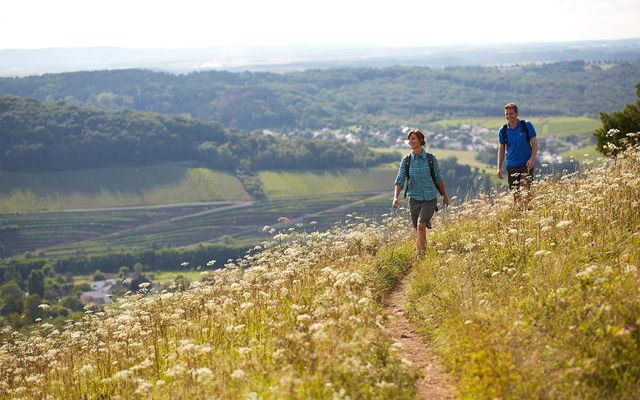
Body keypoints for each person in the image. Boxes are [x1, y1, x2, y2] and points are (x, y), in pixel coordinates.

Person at [392, 129, 449, 258]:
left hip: (429, 199)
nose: (410, 141)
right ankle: (422, 250)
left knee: (421, 225)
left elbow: (438, 178)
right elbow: (400, 180)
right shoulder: (406, 161)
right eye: (409, 139)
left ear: (421, 141)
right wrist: (395, 197)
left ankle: (421, 256)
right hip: (414, 199)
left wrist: (444, 196)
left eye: (413, 138)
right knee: (417, 228)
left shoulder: (430, 159)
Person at [497, 103, 539, 206]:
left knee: (527, 191)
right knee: (515, 193)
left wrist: (532, 159)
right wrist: (499, 168)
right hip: (512, 165)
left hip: (526, 164)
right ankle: (518, 213)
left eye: (511, 113)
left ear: (516, 113)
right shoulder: (503, 130)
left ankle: (528, 211)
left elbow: (535, 145)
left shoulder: (526, 125)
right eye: (506, 114)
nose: (508, 116)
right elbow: (501, 149)